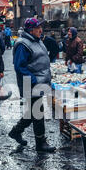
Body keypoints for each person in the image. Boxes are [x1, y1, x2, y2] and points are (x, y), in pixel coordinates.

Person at [8, 18, 55, 153]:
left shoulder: (36, 40)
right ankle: (41, 143)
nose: (41, 30)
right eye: (38, 28)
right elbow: (19, 67)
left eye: (41, 27)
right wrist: (33, 80)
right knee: (38, 113)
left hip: (40, 82)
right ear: (30, 30)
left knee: (33, 112)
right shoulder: (23, 44)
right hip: (32, 84)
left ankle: (16, 131)